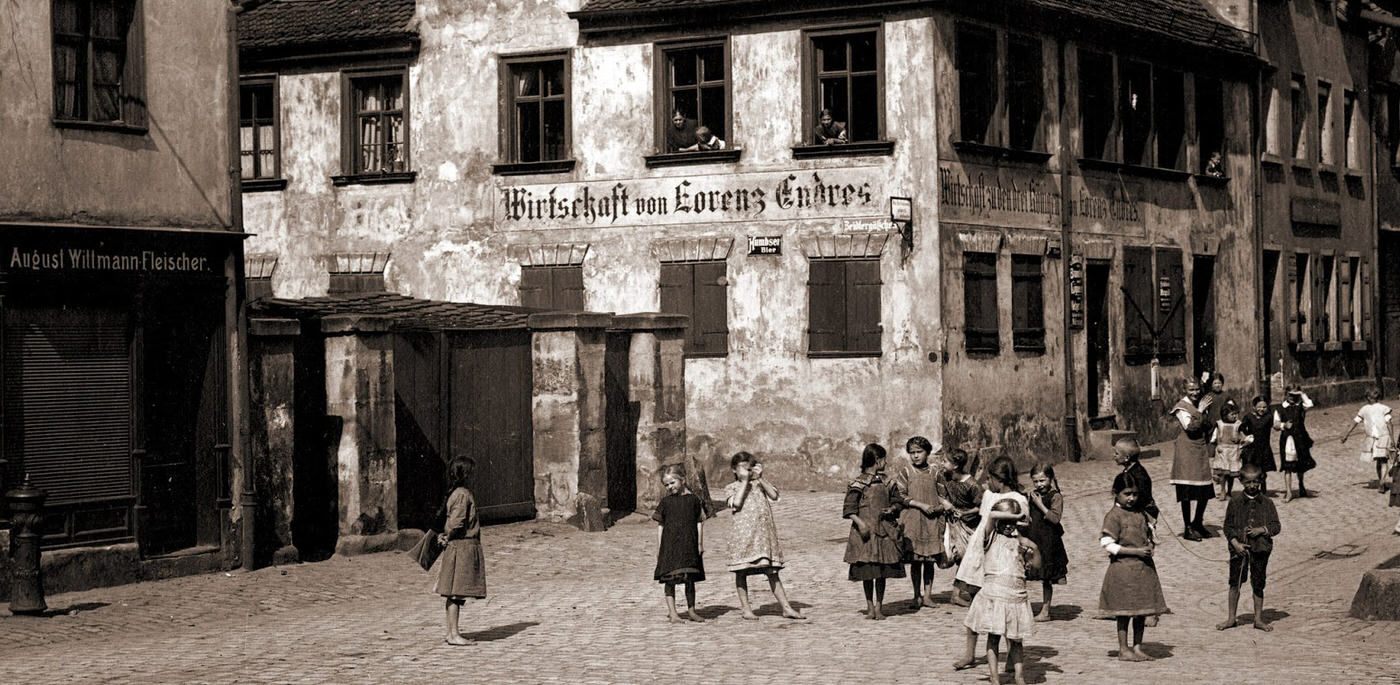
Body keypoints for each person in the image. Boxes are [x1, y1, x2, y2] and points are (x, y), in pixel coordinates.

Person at [954, 456, 1029, 668]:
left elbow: (1022, 524)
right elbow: (983, 519)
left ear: (1000, 478)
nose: (987, 483)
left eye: (990, 478)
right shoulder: (989, 495)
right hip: (981, 552)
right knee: (977, 609)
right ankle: (970, 653)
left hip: (1001, 559)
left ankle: (1012, 658)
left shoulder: (1018, 499)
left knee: (1005, 611)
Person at [957, 499, 1041, 685]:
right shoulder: (991, 536)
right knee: (993, 638)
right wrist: (1017, 516)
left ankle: (1019, 676)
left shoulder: (1020, 542)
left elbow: (1036, 567)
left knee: (1016, 640)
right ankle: (994, 677)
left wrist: (1033, 549)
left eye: (1012, 522)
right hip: (994, 596)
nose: (1009, 525)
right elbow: (992, 515)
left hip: (1015, 597)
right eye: (1005, 521)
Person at [723, 452, 804, 620]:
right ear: (734, 470)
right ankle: (746, 609)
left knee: (772, 572)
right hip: (743, 537)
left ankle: (786, 608)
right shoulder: (731, 487)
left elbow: (774, 495)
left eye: (749, 467)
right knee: (741, 571)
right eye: (743, 468)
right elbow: (736, 503)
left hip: (763, 536)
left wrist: (760, 478)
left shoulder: (759, 484)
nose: (747, 471)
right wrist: (745, 481)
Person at [1099, 470, 1169, 662]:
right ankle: (1123, 648)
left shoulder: (1140, 513)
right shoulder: (1114, 516)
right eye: (1127, 494)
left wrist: (1150, 544)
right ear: (1116, 493)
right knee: (1124, 612)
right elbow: (1107, 544)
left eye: (1135, 494)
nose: (1131, 498)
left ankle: (1137, 647)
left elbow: (1148, 534)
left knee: (1141, 610)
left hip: (1143, 571)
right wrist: (1135, 552)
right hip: (1123, 570)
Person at [843, 443, 906, 620]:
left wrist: (893, 509)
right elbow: (849, 509)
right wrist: (860, 524)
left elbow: (898, 502)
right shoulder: (858, 484)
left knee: (881, 573)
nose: (886, 463)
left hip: (884, 533)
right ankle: (870, 606)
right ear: (878, 461)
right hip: (865, 535)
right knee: (867, 573)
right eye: (884, 459)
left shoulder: (888, 482)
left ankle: (879, 607)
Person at [1217, 464, 1281, 632]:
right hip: (1239, 550)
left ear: (1260, 481)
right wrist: (1235, 543)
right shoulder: (1235, 502)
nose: (1252, 486)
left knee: (1258, 583)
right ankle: (1231, 618)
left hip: (1261, 549)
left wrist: (1263, 530)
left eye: (1255, 482)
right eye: (1248, 482)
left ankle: (1258, 619)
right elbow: (1227, 527)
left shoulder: (1267, 503)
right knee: (1235, 582)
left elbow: (1276, 526)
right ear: (1241, 482)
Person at [435, 457, 487, 646]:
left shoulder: (456, 493)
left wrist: (445, 536)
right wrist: (448, 535)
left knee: (453, 593)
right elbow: (457, 522)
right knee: (456, 593)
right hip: (462, 547)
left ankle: (451, 633)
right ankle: (454, 634)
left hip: (457, 546)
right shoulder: (462, 494)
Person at [895, 436, 947, 609]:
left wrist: (940, 508)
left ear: (927, 453)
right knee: (916, 561)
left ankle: (928, 595)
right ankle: (916, 595)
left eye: (919, 452)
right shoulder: (906, 472)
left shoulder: (935, 473)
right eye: (912, 453)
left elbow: (942, 495)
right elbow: (900, 495)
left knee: (929, 561)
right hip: (913, 520)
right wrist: (920, 505)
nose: (915, 456)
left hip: (931, 520)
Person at [654, 470, 708, 623]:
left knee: (689, 578)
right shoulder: (665, 503)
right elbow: (660, 526)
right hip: (670, 546)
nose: (670, 487)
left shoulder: (694, 500)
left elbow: (699, 521)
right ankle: (673, 613)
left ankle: (691, 610)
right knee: (669, 579)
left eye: (672, 482)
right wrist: (659, 548)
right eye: (666, 485)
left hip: (689, 544)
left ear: (682, 480)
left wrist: (699, 543)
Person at [1169, 378, 1215, 540]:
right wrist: (1200, 411)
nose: (1195, 393)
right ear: (1185, 390)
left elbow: (1207, 425)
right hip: (1187, 450)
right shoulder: (1181, 407)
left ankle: (1198, 522)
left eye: (1196, 389)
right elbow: (1191, 427)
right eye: (1191, 390)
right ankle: (1188, 527)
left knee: (1204, 489)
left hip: (1200, 449)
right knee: (1187, 490)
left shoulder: (1199, 404)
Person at [939, 447, 984, 606]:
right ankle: (960, 594)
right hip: (952, 524)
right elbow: (940, 495)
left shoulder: (972, 485)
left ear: (956, 465)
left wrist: (964, 513)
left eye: (945, 461)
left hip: (969, 526)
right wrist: (947, 505)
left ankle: (961, 593)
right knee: (960, 557)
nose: (942, 464)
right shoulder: (947, 478)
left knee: (968, 559)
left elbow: (981, 507)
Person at [1025, 463, 1068, 622]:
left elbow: (1055, 518)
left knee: (1046, 578)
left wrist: (1040, 505)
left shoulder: (1055, 496)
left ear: (1050, 479)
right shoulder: (1033, 495)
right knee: (1025, 573)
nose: (1039, 485)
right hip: (1035, 538)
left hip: (1049, 542)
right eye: (1035, 481)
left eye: (1042, 481)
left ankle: (1045, 610)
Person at [1341, 387, 1393, 492]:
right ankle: (1382, 482)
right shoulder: (1384, 408)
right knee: (1384, 461)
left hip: (1372, 438)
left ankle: (1381, 481)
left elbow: (1355, 422)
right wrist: (1392, 438)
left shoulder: (1364, 409)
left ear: (1369, 398)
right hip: (1383, 436)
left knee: (1378, 461)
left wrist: (1346, 434)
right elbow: (1389, 423)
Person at [1275, 384, 1316, 501]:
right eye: (1290, 395)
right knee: (1287, 466)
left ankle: (1301, 484)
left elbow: (1310, 404)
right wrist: (1284, 425)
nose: (1292, 397)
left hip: (1300, 437)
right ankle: (1289, 492)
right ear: (1286, 394)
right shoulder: (1280, 407)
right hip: (1288, 439)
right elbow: (1276, 425)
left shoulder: (1300, 406)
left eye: (1294, 395)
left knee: (1300, 464)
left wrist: (1301, 393)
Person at [1211, 402, 1251, 501]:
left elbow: (1245, 438)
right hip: (1222, 452)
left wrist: (1240, 441)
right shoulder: (1219, 424)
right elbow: (1214, 437)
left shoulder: (1238, 425)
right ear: (1225, 415)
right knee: (1223, 473)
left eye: (1236, 414)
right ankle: (1223, 490)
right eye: (1232, 414)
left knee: (1231, 474)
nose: (1235, 416)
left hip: (1233, 452)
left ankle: (1229, 491)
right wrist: (1217, 445)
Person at [1113, 436, 1158, 520]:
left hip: (1143, 512)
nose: (1114, 456)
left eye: (1116, 454)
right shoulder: (1129, 470)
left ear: (1126, 458)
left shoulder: (1138, 474)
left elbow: (1142, 496)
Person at [1239, 395, 1279, 490]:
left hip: (1264, 447)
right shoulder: (1249, 417)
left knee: (1263, 469)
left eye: (1264, 407)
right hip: (1251, 448)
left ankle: (1263, 487)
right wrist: (1245, 437)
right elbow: (1241, 428)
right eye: (1259, 407)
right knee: (1251, 468)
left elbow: (1276, 426)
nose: (1262, 409)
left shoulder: (1269, 417)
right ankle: (1251, 487)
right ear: (1254, 407)